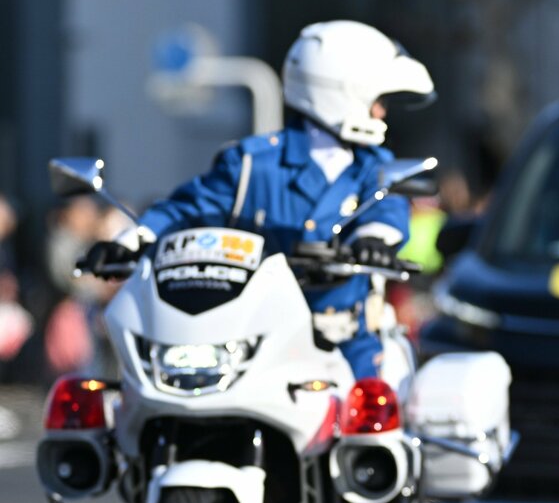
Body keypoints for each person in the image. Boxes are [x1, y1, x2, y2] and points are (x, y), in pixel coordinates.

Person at [81, 20, 435, 379]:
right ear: (341, 91)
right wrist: (128, 243)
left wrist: (373, 240)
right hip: (255, 348)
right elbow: (187, 210)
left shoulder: (376, 166)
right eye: (377, 101)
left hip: (348, 342)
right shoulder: (252, 163)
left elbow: (389, 210)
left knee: (373, 425)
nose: (381, 112)